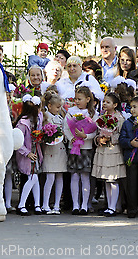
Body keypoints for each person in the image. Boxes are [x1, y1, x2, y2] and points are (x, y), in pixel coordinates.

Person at [63, 86, 99, 215]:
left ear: (88, 99)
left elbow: (95, 131)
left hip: (86, 147)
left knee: (85, 176)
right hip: (73, 148)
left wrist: (86, 136)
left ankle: (84, 204)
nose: (77, 101)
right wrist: (71, 137)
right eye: (75, 99)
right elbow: (66, 127)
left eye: (80, 99)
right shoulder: (71, 111)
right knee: (74, 175)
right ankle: (75, 205)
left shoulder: (93, 114)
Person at [92, 92, 126, 217]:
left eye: (108, 102)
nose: (105, 104)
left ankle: (114, 207)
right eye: (104, 101)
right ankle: (108, 206)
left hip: (113, 151)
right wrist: (99, 139)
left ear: (115, 104)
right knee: (106, 179)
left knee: (113, 179)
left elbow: (121, 134)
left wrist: (110, 137)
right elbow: (97, 131)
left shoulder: (119, 118)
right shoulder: (102, 117)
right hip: (103, 150)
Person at [14, 94, 44, 216]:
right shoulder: (22, 123)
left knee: (35, 178)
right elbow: (17, 141)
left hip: (36, 151)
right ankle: (21, 204)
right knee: (33, 177)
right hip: (27, 154)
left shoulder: (39, 118)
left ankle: (37, 204)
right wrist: (27, 153)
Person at [41, 92, 66, 215]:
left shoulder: (60, 118)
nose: (59, 109)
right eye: (57, 107)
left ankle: (56, 205)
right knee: (50, 177)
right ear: (49, 106)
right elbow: (44, 133)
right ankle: (45, 203)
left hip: (60, 149)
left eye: (60, 107)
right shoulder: (46, 117)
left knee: (59, 176)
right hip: (50, 150)